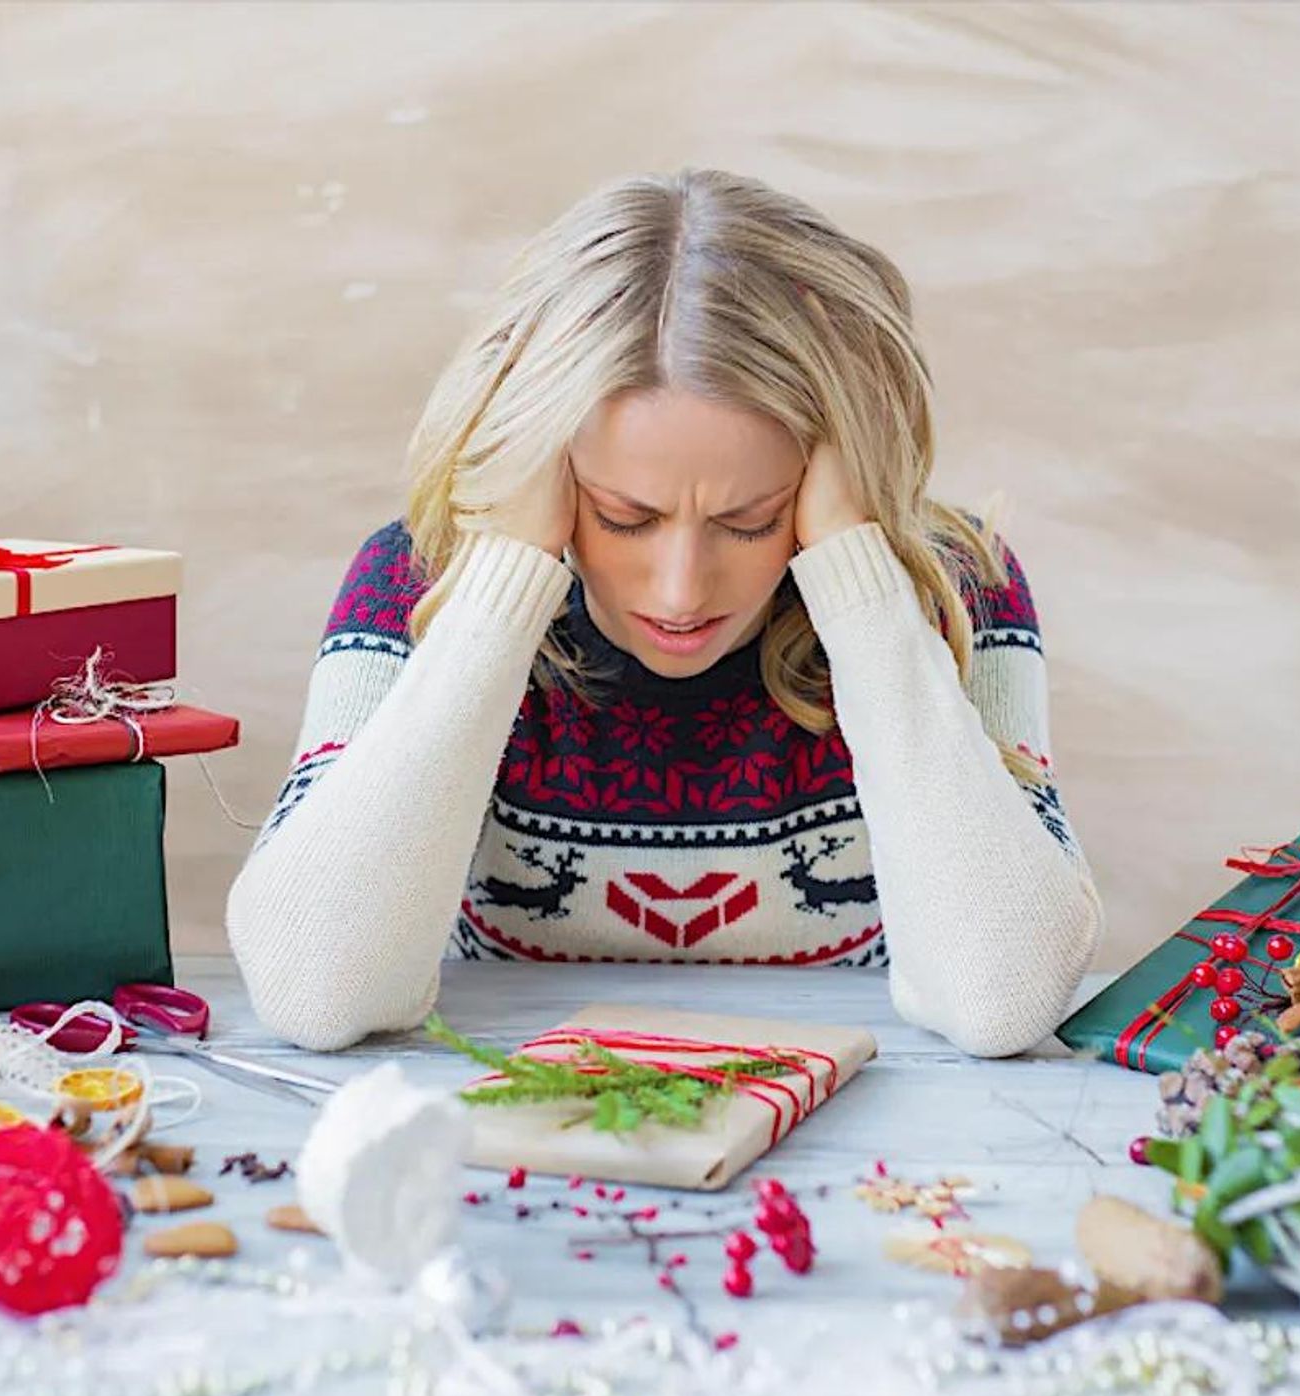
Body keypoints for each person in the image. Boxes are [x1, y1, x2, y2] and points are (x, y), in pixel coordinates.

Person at [226, 167, 1103, 1057]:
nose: (682, 592)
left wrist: (860, 577)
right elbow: (315, 989)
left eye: (750, 520)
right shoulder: (417, 581)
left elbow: (1001, 999)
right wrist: (501, 583)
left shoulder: (957, 589)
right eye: (625, 517)